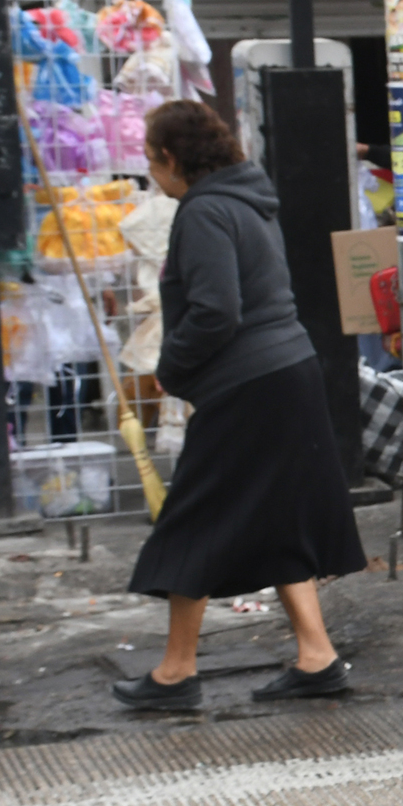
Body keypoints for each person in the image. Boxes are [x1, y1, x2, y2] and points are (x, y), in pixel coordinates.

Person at [113, 100, 367, 711]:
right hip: (288, 372)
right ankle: (317, 656)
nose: (153, 176)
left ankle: (176, 672)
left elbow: (215, 309)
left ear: (172, 159)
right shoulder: (250, 201)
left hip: (247, 385)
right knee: (277, 516)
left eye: (152, 162)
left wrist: (172, 369)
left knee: (194, 517)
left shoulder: (203, 212)